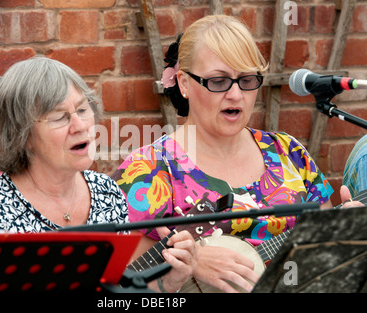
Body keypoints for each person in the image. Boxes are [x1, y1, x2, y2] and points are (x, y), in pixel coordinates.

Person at [112, 14, 361, 293]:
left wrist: (348, 237)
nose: (235, 94)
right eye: (218, 81)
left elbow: (327, 264)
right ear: (183, 83)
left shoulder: (289, 152)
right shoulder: (148, 171)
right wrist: (190, 263)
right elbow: (121, 289)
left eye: (247, 80)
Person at [0, 56, 196, 293]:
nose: (80, 125)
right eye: (59, 117)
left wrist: (165, 285)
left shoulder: (106, 192)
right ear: (23, 136)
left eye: (82, 109)